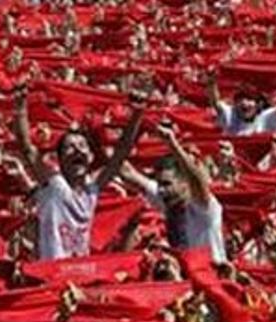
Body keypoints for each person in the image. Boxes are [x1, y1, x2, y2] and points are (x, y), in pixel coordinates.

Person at [14, 86, 146, 260]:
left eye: (82, 146)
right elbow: (27, 148)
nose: (77, 150)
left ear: (90, 157)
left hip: (81, 272)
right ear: (59, 160)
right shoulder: (53, 185)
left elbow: (121, 153)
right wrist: (21, 106)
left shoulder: (92, 189)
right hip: (51, 273)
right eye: (70, 147)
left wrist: (137, 114)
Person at [120, 121, 225, 263]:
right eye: (159, 184)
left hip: (213, 278)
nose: (161, 190)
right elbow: (126, 171)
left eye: (166, 184)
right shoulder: (167, 198)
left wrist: (172, 144)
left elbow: (197, 180)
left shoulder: (203, 208)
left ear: (184, 183)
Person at [207, 75, 276, 136]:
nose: (244, 103)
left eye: (249, 100)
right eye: (240, 100)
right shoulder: (230, 115)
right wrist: (211, 83)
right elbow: (215, 102)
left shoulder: (266, 118)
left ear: (258, 104)